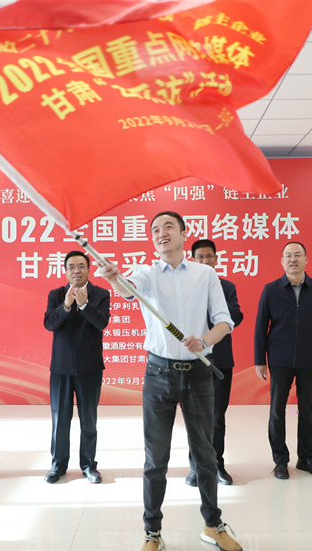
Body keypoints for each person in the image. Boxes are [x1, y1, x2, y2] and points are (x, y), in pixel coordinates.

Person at [99, 211, 242, 551]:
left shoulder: (205, 274)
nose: (161, 233)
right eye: (155, 230)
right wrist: (114, 278)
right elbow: (129, 290)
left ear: (183, 233)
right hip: (158, 375)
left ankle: (212, 525)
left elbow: (225, 321)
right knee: (155, 460)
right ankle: (152, 532)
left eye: (168, 227)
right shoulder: (146, 273)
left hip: (198, 376)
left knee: (205, 455)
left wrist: (204, 340)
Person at [254, 241, 312, 480]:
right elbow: (260, 327)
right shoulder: (271, 289)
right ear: (282, 261)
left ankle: (306, 458)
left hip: (310, 359)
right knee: (277, 411)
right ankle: (280, 461)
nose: (293, 259)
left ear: (306, 259)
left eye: (298, 255)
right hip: (280, 359)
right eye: (288, 255)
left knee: (307, 411)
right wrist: (260, 360)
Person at [43, 251, 110, 484]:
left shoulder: (101, 294)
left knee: (88, 421)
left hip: (89, 367)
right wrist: (66, 305)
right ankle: (58, 465)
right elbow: (50, 323)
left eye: (81, 266)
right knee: (60, 420)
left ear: (89, 270)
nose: (76, 271)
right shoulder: (56, 294)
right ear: (65, 271)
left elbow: (101, 322)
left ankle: (89, 465)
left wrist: (84, 306)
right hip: (60, 368)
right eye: (71, 266)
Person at [185, 239, 244, 488]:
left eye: (209, 256)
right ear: (192, 260)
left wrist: (215, 298)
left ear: (216, 260)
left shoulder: (226, 287)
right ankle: (195, 467)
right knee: (194, 417)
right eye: (200, 257)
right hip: (192, 361)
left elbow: (236, 317)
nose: (205, 261)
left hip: (220, 361)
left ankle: (217, 464)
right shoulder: (185, 288)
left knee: (217, 416)